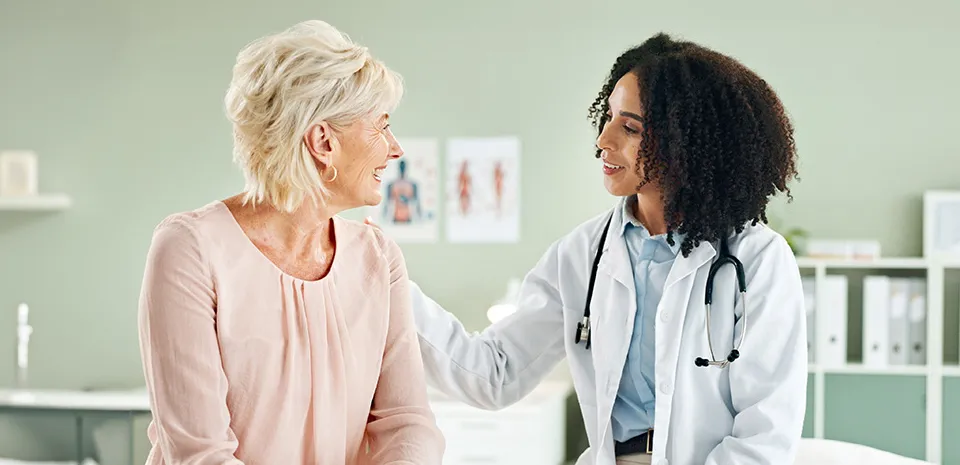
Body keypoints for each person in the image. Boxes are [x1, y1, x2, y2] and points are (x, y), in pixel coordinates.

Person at [406, 33, 806, 465]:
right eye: (609, 117)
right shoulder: (582, 254)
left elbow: (765, 435)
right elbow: (494, 373)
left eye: (630, 127)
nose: (603, 139)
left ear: (687, 143)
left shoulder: (757, 259)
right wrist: (389, 282)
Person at [137, 20, 444, 465]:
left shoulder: (379, 258)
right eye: (381, 127)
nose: (395, 149)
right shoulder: (190, 249)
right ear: (323, 141)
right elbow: (201, 455)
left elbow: (408, 422)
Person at [383, 159, 421, 223]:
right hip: (396, 217)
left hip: (407, 217)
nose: (402, 169)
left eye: (403, 167)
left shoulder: (412, 185)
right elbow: (386, 204)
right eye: (401, 167)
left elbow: (417, 204)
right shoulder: (392, 185)